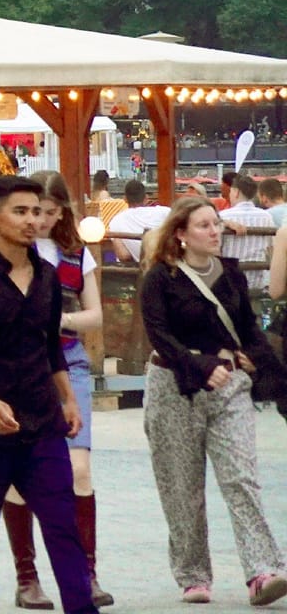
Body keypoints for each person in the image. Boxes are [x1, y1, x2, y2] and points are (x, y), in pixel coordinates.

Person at [0, 176, 97, 614]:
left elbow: (50, 346)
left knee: (62, 526)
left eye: (37, 212)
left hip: (43, 424)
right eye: (21, 211)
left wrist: (67, 398)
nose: (32, 221)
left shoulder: (49, 278)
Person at [139, 195, 287, 607]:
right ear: (181, 234)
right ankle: (193, 575)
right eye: (204, 225)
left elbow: (247, 328)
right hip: (175, 389)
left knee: (241, 476)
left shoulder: (232, 276)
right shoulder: (159, 279)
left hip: (229, 390)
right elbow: (160, 336)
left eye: (217, 224)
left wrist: (260, 362)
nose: (215, 231)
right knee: (182, 486)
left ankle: (263, 569)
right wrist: (201, 365)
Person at [220, 175, 274, 291]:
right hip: (257, 280)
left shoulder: (224, 216)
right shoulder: (266, 216)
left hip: (230, 281)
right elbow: (271, 247)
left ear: (236, 192)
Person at [108, 179, 170, 263]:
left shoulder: (116, 221)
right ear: (146, 198)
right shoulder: (165, 212)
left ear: (125, 199)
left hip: (134, 271)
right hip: (164, 266)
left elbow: (123, 255)